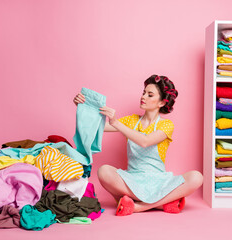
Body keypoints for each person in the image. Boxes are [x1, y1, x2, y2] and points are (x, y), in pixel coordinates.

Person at [73, 75, 203, 216]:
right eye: (143, 92)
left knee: (196, 177)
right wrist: (83, 107)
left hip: (160, 181)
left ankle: (138, 206)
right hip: (132, 180)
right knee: (103, 171)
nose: (143, 97)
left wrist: (116, 123)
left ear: (161, 103)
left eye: (150, 95)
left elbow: (145, 141)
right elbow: (97, 127)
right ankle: (161, 203)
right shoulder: (131, 120)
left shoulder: (166, 125)